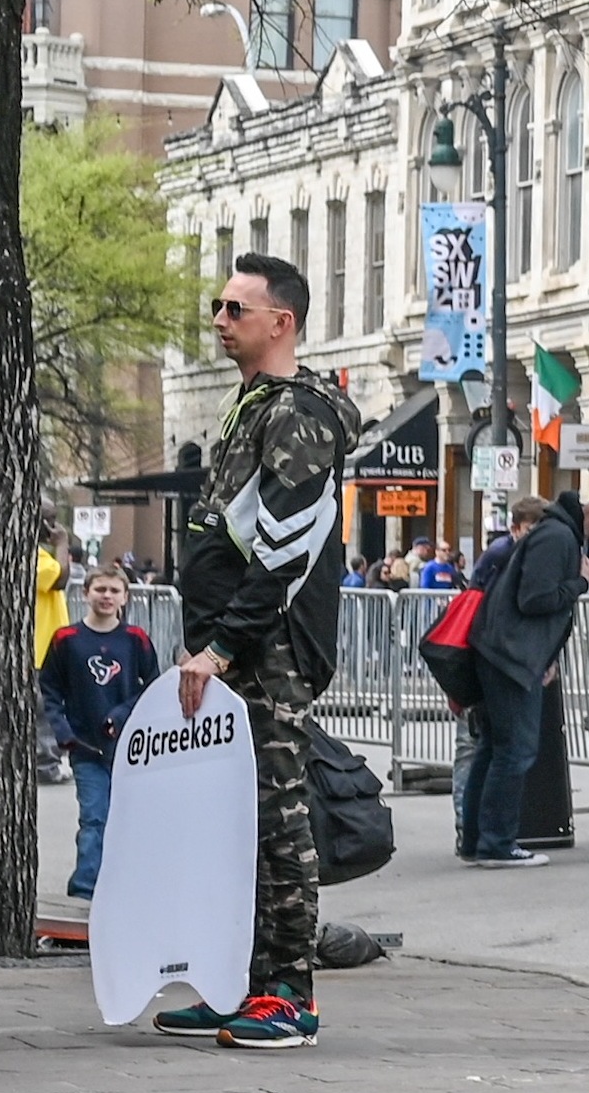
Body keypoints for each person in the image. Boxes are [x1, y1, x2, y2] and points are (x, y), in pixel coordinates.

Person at [149, 258, 362, 1046]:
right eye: (217, 305)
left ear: (283, 322)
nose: (218, 318)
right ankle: (237, 977)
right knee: (230, 820)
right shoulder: (255, 406)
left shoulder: (300, 414)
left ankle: (288, 993)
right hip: (230, 647)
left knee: (277, 816)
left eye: (235, 307)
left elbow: (283, 546)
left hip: (267, 648)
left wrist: (224, 648)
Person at [455, 493, 580, 866]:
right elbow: (534, 600)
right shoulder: (543, 543)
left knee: (492, 747)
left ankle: (477, 839)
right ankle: (495, 843)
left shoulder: (516, 548)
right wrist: (579, 583)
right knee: (514, 750)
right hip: (510, 655)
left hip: (495, 650)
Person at [36, 565, 155, 900]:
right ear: (86, 593)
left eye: (114, 591)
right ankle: (85, 890)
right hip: (86, 748)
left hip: (131, 749)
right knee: (94, 819)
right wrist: (64, 732)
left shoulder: (136, 640)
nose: (107, 596)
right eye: (100, 589)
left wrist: (121, 715)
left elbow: (152, 686)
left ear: (125, 597)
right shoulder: (66, 640)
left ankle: (125, 888)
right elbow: (50, 688)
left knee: (129, 820)